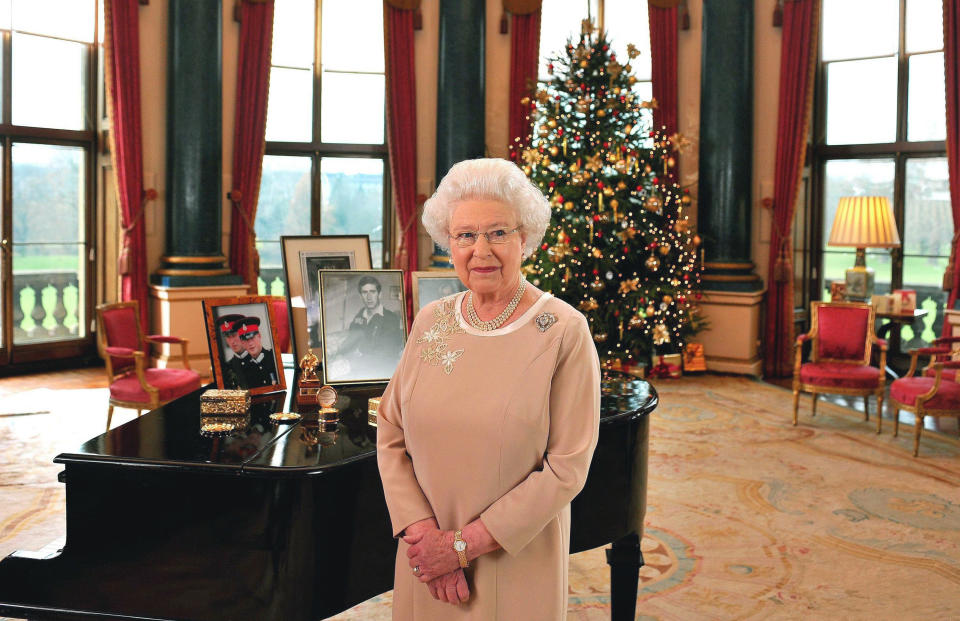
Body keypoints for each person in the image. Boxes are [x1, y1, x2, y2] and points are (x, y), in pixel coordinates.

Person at [376, 158, 601, 620]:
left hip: (512, 563)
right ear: (449, 243)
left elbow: (566, 469)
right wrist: (425, 540)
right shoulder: (431, 320)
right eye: (465, 235)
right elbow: (390, 430)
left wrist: (459, 548)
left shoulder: (563, 330)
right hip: (424, 562)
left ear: (525, 239)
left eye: (498, 233)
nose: (481, 250)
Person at [332, 275, 405, 379]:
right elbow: (351, 338)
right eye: (365, 292)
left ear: (379, 294)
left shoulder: (390, 318)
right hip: (360, 365)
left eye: (372, 292)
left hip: (382, 370)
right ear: (361, 296)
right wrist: (340, 354)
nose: (369, 297)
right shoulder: (360, 314)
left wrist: (352, 362)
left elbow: (386, 353)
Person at [237, 317, 278, 388]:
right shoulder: (243, 368)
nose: (250, 343)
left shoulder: (274, 357)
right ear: (242, 343)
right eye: (246, 340)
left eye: (252, 338)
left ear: (259, 336)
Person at [217, 313, 249, 389]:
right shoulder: (226, 367)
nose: (232, 341)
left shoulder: (261, 359)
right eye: (228, 336)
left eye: (234, 335)